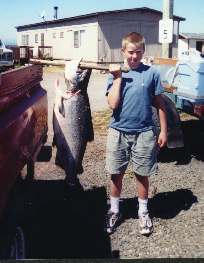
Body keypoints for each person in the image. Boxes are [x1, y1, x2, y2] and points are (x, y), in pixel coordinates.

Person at [105, 32, 167, 235]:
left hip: (144, 133)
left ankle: (143, 212)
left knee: (142, 175)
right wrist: (117, 78)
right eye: (130, 52)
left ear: (143, 52)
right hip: (118, 131)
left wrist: (164, 131)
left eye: (138, 52)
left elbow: (160, 105)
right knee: (116, 175)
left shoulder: (152, 74)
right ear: (123, 51)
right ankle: (114, 210)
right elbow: (112, 104)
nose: (134, 56)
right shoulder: (114, 74)